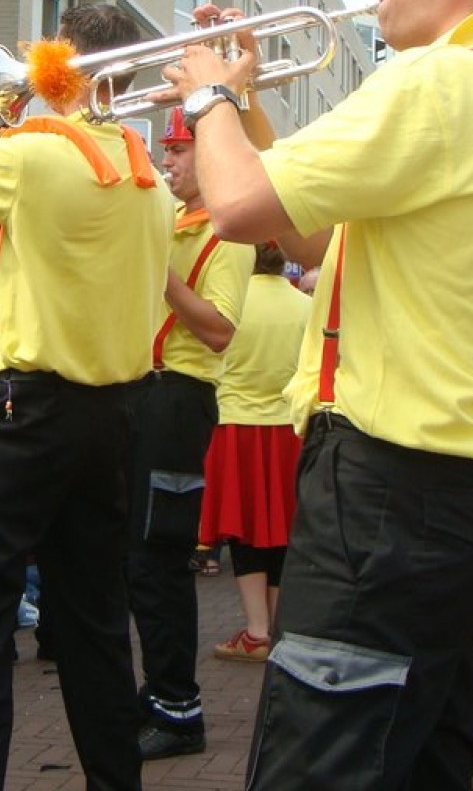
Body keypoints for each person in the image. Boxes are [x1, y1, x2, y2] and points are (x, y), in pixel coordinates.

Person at [162, 0, 473, 788]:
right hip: (444, 490)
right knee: (415, 759)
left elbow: (236, 207)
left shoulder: (442, 79)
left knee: (319, 766)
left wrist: (207, 97)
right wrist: (246, 104)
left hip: (388, 496)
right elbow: (307, 230)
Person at [0, 2, 173, 791]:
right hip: (113, 417)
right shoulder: (150, 179)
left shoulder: (33, 153)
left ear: (58, 60)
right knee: (94, 624)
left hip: (28, 412)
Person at [128, 107, 252, 760]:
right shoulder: (172, 221)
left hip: (179, 401)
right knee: (137, 559)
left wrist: (159, 268)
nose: (166, 161)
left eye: (177, 150)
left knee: (160, 558)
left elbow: (220, 331)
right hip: (146, 397)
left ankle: (180, 708)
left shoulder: (227, 234)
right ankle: (159, 694)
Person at [199, 241, 310, 665]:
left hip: (234, 425)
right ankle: (276, 629)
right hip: (288, 428)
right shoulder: (304, 306)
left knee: (242, 531)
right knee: (283, 530)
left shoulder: (230, 306)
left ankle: (256, 630)